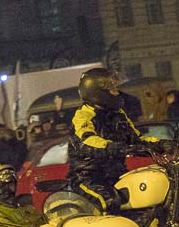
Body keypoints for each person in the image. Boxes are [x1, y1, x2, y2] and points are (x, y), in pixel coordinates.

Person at [68, 67, 170, 213]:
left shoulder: (118, 114)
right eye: (112, 89)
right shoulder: (83, 116)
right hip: (88, 178)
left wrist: (161, 144)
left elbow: (137, 139)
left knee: (147, 199)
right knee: (110, 202)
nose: (117, 93)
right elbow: (88, 141)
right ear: (98, 92)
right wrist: (117, 148)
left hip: (117, 175)